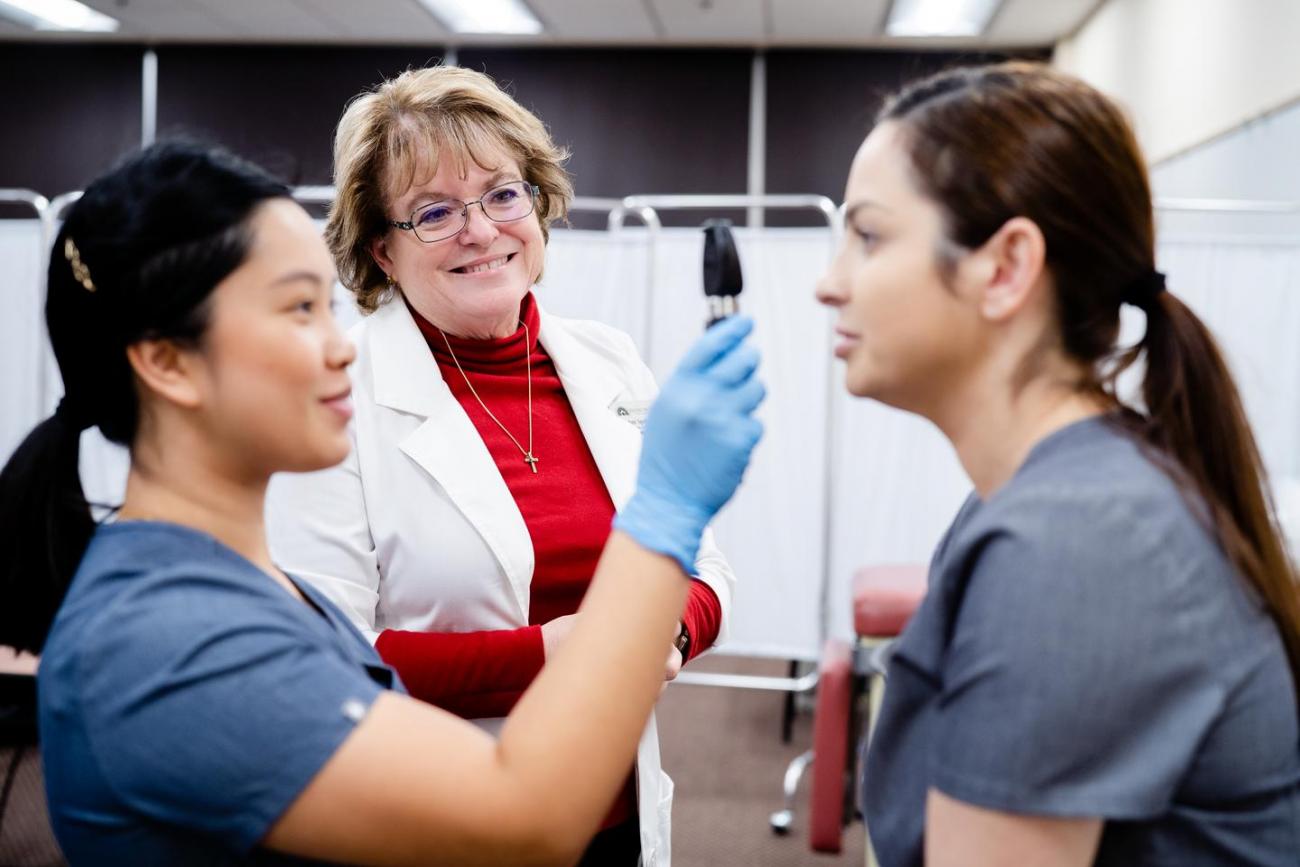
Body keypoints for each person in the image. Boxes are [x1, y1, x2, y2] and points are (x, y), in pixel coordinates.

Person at [0, 140, 764, 865]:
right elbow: (525, 819)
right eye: (299, 310)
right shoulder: (171, 643)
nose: (340, 347)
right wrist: (665, 506)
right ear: (169, 362)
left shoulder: (244, 586)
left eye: (326, 308)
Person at [816, 62, 1300, 866]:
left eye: (867, 237)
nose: (828, 283)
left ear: (1005, 269)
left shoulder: (1079, 541)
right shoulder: (1050, 498)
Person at [264, 65, 735, 864]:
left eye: (502, 194)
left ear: (538, 207)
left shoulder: (608, 360)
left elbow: (704, 564)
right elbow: (327, 655)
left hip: (616, 807)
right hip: (439, 816)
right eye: (435, 212)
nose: (480, 230)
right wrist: (562, 653)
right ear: (382, 249)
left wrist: (667, 638)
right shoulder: (333, 392)